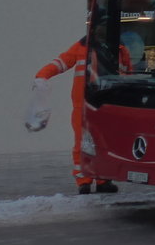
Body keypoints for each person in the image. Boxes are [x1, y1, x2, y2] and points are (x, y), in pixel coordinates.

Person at [27, 36, 131, 195]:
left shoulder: (119, 48)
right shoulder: (87, 46)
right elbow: (61, 62)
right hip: (85, 104)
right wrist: (42, 75)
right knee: (83, 143)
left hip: (106, 104)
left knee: (105, 143)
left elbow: (127, 74)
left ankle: (102, 179)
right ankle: (85, 180)